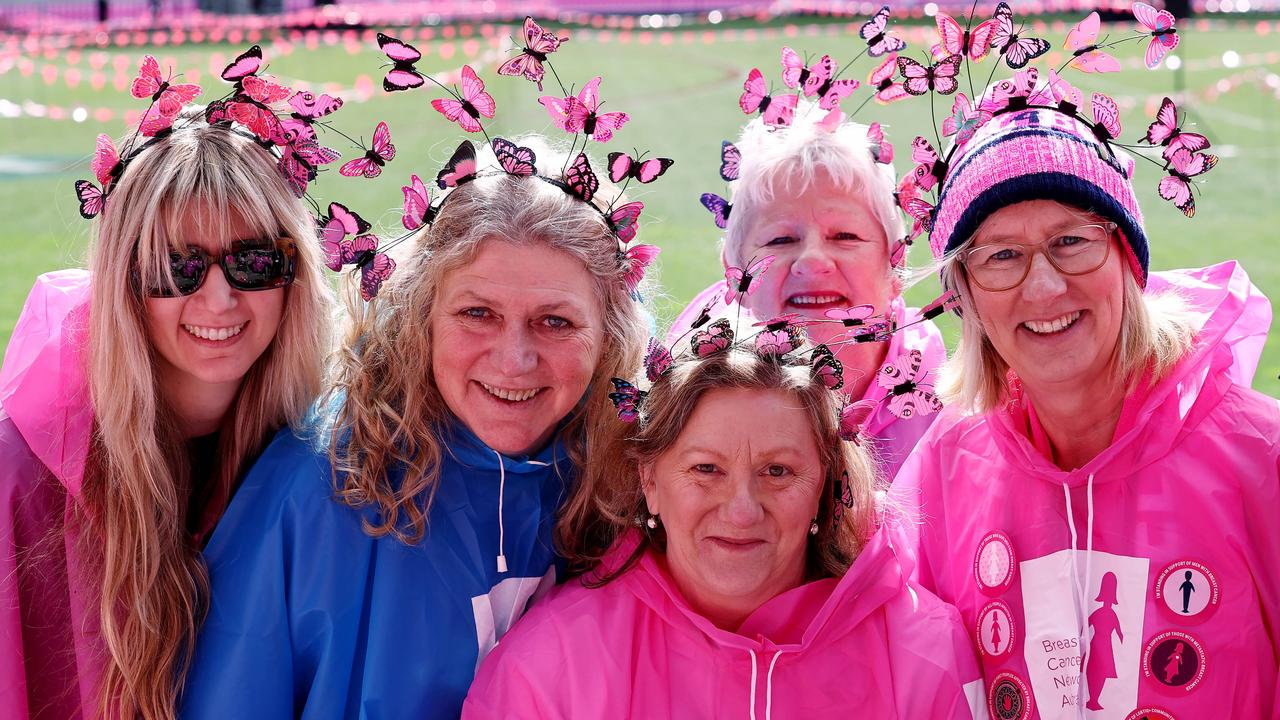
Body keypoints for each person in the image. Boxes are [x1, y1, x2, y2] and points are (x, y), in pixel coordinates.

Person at [179, 137, 650, 719]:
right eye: (477, 314)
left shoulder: (631, 484)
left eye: (556, 322)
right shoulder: (315, 484)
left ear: (611, 337)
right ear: (420, 315)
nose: (513, 360)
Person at [894, 97, 1280, 719]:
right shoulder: (946, 467)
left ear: (1127, 257)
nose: (1043, 287)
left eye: (1071, 241)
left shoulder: (1259, 457)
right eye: (1001, 256)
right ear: (965, 295)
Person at [0, 115, 330, 719]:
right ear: (125, 282)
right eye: (176, 266)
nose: (219, 300)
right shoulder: (19, 472)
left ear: (294, 274)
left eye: (253, 261)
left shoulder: (315, 447)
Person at [464, 339, 984, 719]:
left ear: (825, 484)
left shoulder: (921, 650)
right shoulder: (552, 662)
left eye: (777, 471)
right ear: (650, 480)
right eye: (705, 470)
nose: (741, 510)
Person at [672, 101, 945, 478]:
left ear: (894, 266)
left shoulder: (949, 405)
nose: (813, 260)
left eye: (845, 236)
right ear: (735, 274)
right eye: (780, 239)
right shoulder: (687, 389)